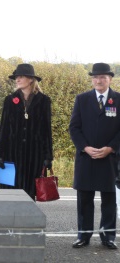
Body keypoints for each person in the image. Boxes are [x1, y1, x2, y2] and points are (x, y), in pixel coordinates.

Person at [69, 62, 119, 249]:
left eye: (103, 77)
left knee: (109, 200)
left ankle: (108, 237)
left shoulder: (118, 99)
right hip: (86, 158)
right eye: (96, 77)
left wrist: (111, 148)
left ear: (110, 79)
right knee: (84, 201)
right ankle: (84, 236)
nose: (99, 80)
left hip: (110, 159)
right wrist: (85, 147)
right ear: (92, 80)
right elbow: (74, 128)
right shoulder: (82, 99)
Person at [0, 64, 53, 200]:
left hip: (35, 153)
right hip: (12, 152)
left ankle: (28, 220)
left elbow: (46, 130)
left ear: (31, 79)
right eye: (16, 77)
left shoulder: (44, 101)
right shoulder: (10, 100)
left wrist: (48, 156)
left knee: (30, 191)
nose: (17, 79)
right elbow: (4, 128)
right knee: (11, 192)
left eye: (21, 77)